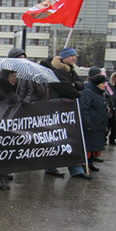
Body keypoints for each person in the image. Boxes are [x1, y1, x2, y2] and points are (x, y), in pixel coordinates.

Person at [45, 47, 91, 179]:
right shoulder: (58, 72)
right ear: (64, 57)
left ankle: (71, 168)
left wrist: (76, 86)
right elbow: (68, 89)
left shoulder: (71, 70)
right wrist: (76, 89)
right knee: (62, 139)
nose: (74, 58)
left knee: (67, 139)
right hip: (60, 109)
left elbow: (80, 84)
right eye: (71, 56)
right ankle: (59, 167)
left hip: (67, 109)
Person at [0, 70, 20, 190]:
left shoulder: (14, 89)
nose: (14, 79)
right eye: (12, 76)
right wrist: (8, 101)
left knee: (7, 152)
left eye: (15, 76)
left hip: (10, 125)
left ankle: (3, 175)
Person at [80, 75, 109, 173]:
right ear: (97, 84)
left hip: (98, 123)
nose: (105, 85)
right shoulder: (88, 92)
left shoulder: (99, 93)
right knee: (88, 146)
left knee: (94, 145)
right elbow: (84, 109)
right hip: (91, 123)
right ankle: (85, 165)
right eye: (103, 83)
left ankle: (90, 163)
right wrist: (87, 123)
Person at [107, 72, 116, 145]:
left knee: (114, 125)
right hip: (110, 107)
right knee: (108, 124)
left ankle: (112, 138)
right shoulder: (109, 86)